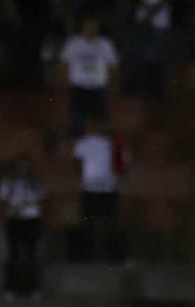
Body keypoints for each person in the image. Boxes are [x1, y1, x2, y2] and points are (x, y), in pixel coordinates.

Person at [73, 121, 127, 262]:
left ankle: (113, 256)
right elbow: (77, 164)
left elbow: (122, 164)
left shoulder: (112, 144)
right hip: (90, 189)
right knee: (89, 224)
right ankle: (87, 256)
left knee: (110, 224)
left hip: (107, 189)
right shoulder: (84, 143)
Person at [61, 15, 120, 137]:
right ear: (82, 28)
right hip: (78, 87)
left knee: (101, 121)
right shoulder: (73, 43)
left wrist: (113, 86)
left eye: (93, 28)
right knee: (77, 122)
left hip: (98, 88)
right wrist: (64, 84)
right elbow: (64, 64)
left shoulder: (105, 44)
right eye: (87, 27)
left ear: (98, 29)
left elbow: (113, 66)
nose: (90, 30)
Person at [0, 154, 45, 298]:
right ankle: (10, 288)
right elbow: (4, 198)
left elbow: (38, 198)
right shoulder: (8, 182)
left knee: (31, 254)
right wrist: (14, 208)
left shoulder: (35, 182)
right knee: (13, 253)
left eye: (25, 166)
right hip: (14, 219)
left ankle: (33, 288)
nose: (22, 169)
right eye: (20, 166)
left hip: (31, 220)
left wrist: (23, 205)